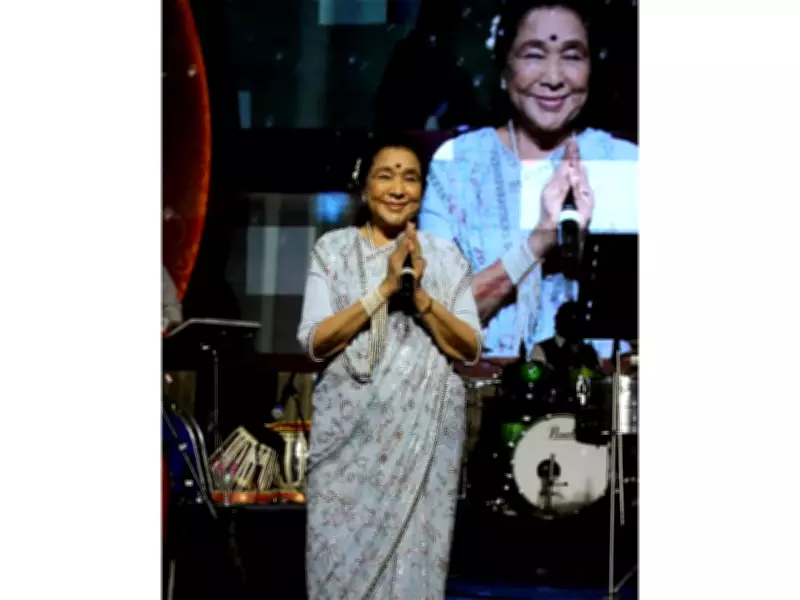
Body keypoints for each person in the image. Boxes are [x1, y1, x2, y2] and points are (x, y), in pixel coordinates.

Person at [297, 137, 483, 599]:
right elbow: (315, 342)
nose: (398, 189)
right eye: (386, 176)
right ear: (365, 189)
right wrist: (383, 289)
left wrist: (418, 296)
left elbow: (469, 348)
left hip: (426, 442)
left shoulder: (446, 256)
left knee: (416, 569)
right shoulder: (333, 251)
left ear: (422, 191)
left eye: (410, 178)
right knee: (335, 570)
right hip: (347, 446)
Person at [418, 0, 637, 365]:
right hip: (479, 390)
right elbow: (438, 319)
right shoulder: (457, 164)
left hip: (599, 392)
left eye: (572, 56)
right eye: (534, 55)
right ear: (504, 69)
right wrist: (540, 241)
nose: (553, 77)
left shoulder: (624, 164)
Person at [530, 300, 600, 372]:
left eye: (578, 319)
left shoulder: (590, 351)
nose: (573, 325)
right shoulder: (542, 349)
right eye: (570, 319)